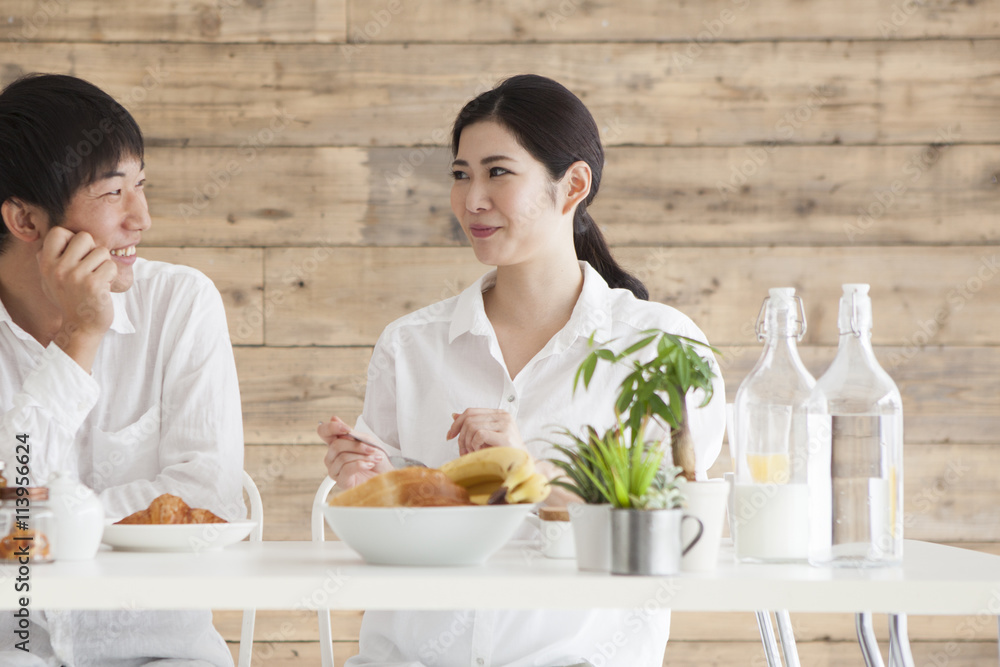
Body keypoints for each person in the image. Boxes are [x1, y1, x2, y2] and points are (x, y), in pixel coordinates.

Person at [320, 74, 726, 666]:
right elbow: (394, 541)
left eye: (498, 172)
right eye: (461, 174)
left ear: (573, 186)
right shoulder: (411, 345)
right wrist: (377, 485)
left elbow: (679, 537)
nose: (472, 199)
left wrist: (528, 475)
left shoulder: (660, 346)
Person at [0, 74, 244, 666]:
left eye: (141, 186)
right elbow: (14, 499)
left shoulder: (180, 303)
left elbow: (208, 493)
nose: (142, 219)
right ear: (26, 222)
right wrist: (78, 338)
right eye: (113, 194)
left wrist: (60, 523)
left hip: (160, 650)